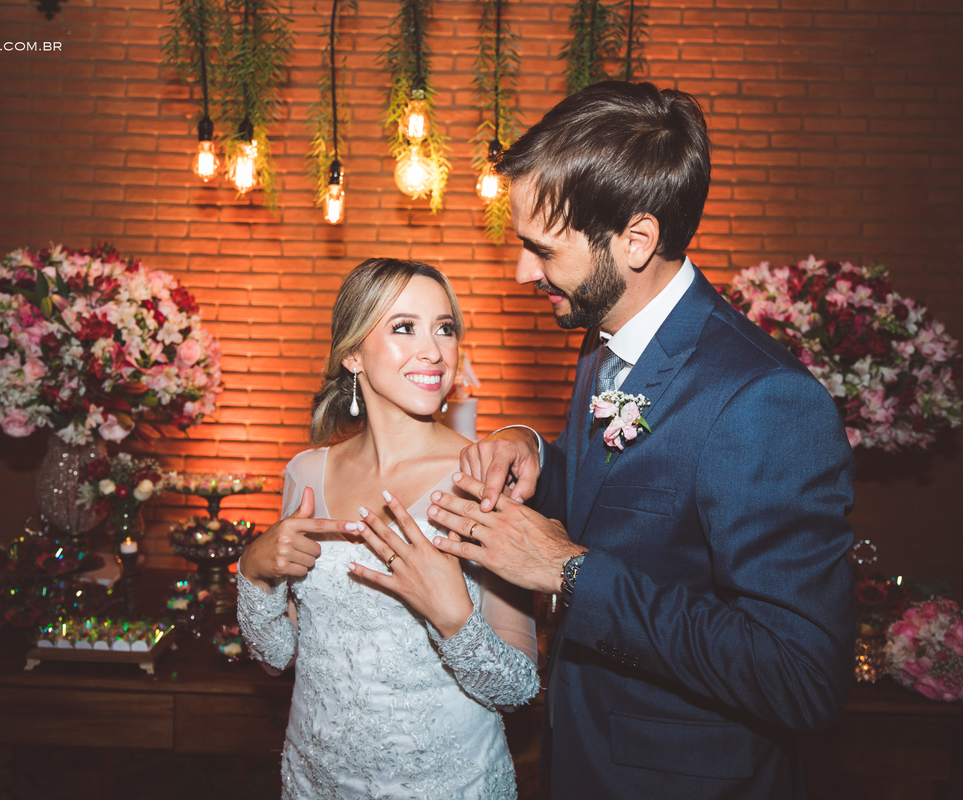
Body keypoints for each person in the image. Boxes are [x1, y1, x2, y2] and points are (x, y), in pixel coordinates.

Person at [425, 82, 856, 799]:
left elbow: (801, 678)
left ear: (636, 239)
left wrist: (571, 573)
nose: (522, 272)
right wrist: (537, 453)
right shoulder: (604, 335)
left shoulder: (766, 402)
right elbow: (641, 504)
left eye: (541, 249)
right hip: (584, 756)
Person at [236, 258, 540, 799]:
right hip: (315, 781)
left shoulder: (483, 479)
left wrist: (453, 617)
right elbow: (276, 656)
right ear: (352, 352)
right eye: (405, 328)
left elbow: (518, 688)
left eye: (444, 328)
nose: (434, 351)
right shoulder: (307, 473)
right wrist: (253, 571)